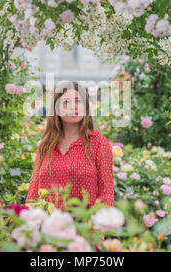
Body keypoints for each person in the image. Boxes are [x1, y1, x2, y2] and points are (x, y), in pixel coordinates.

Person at [26, 81, 114, 211]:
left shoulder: (99, 144)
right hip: (46, 226)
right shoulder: (45, 146)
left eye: (78, 101)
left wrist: (99, 226)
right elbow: (33, 193)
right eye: (66, 102)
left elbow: (107, 194)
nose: (73, 107)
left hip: (83, 226)